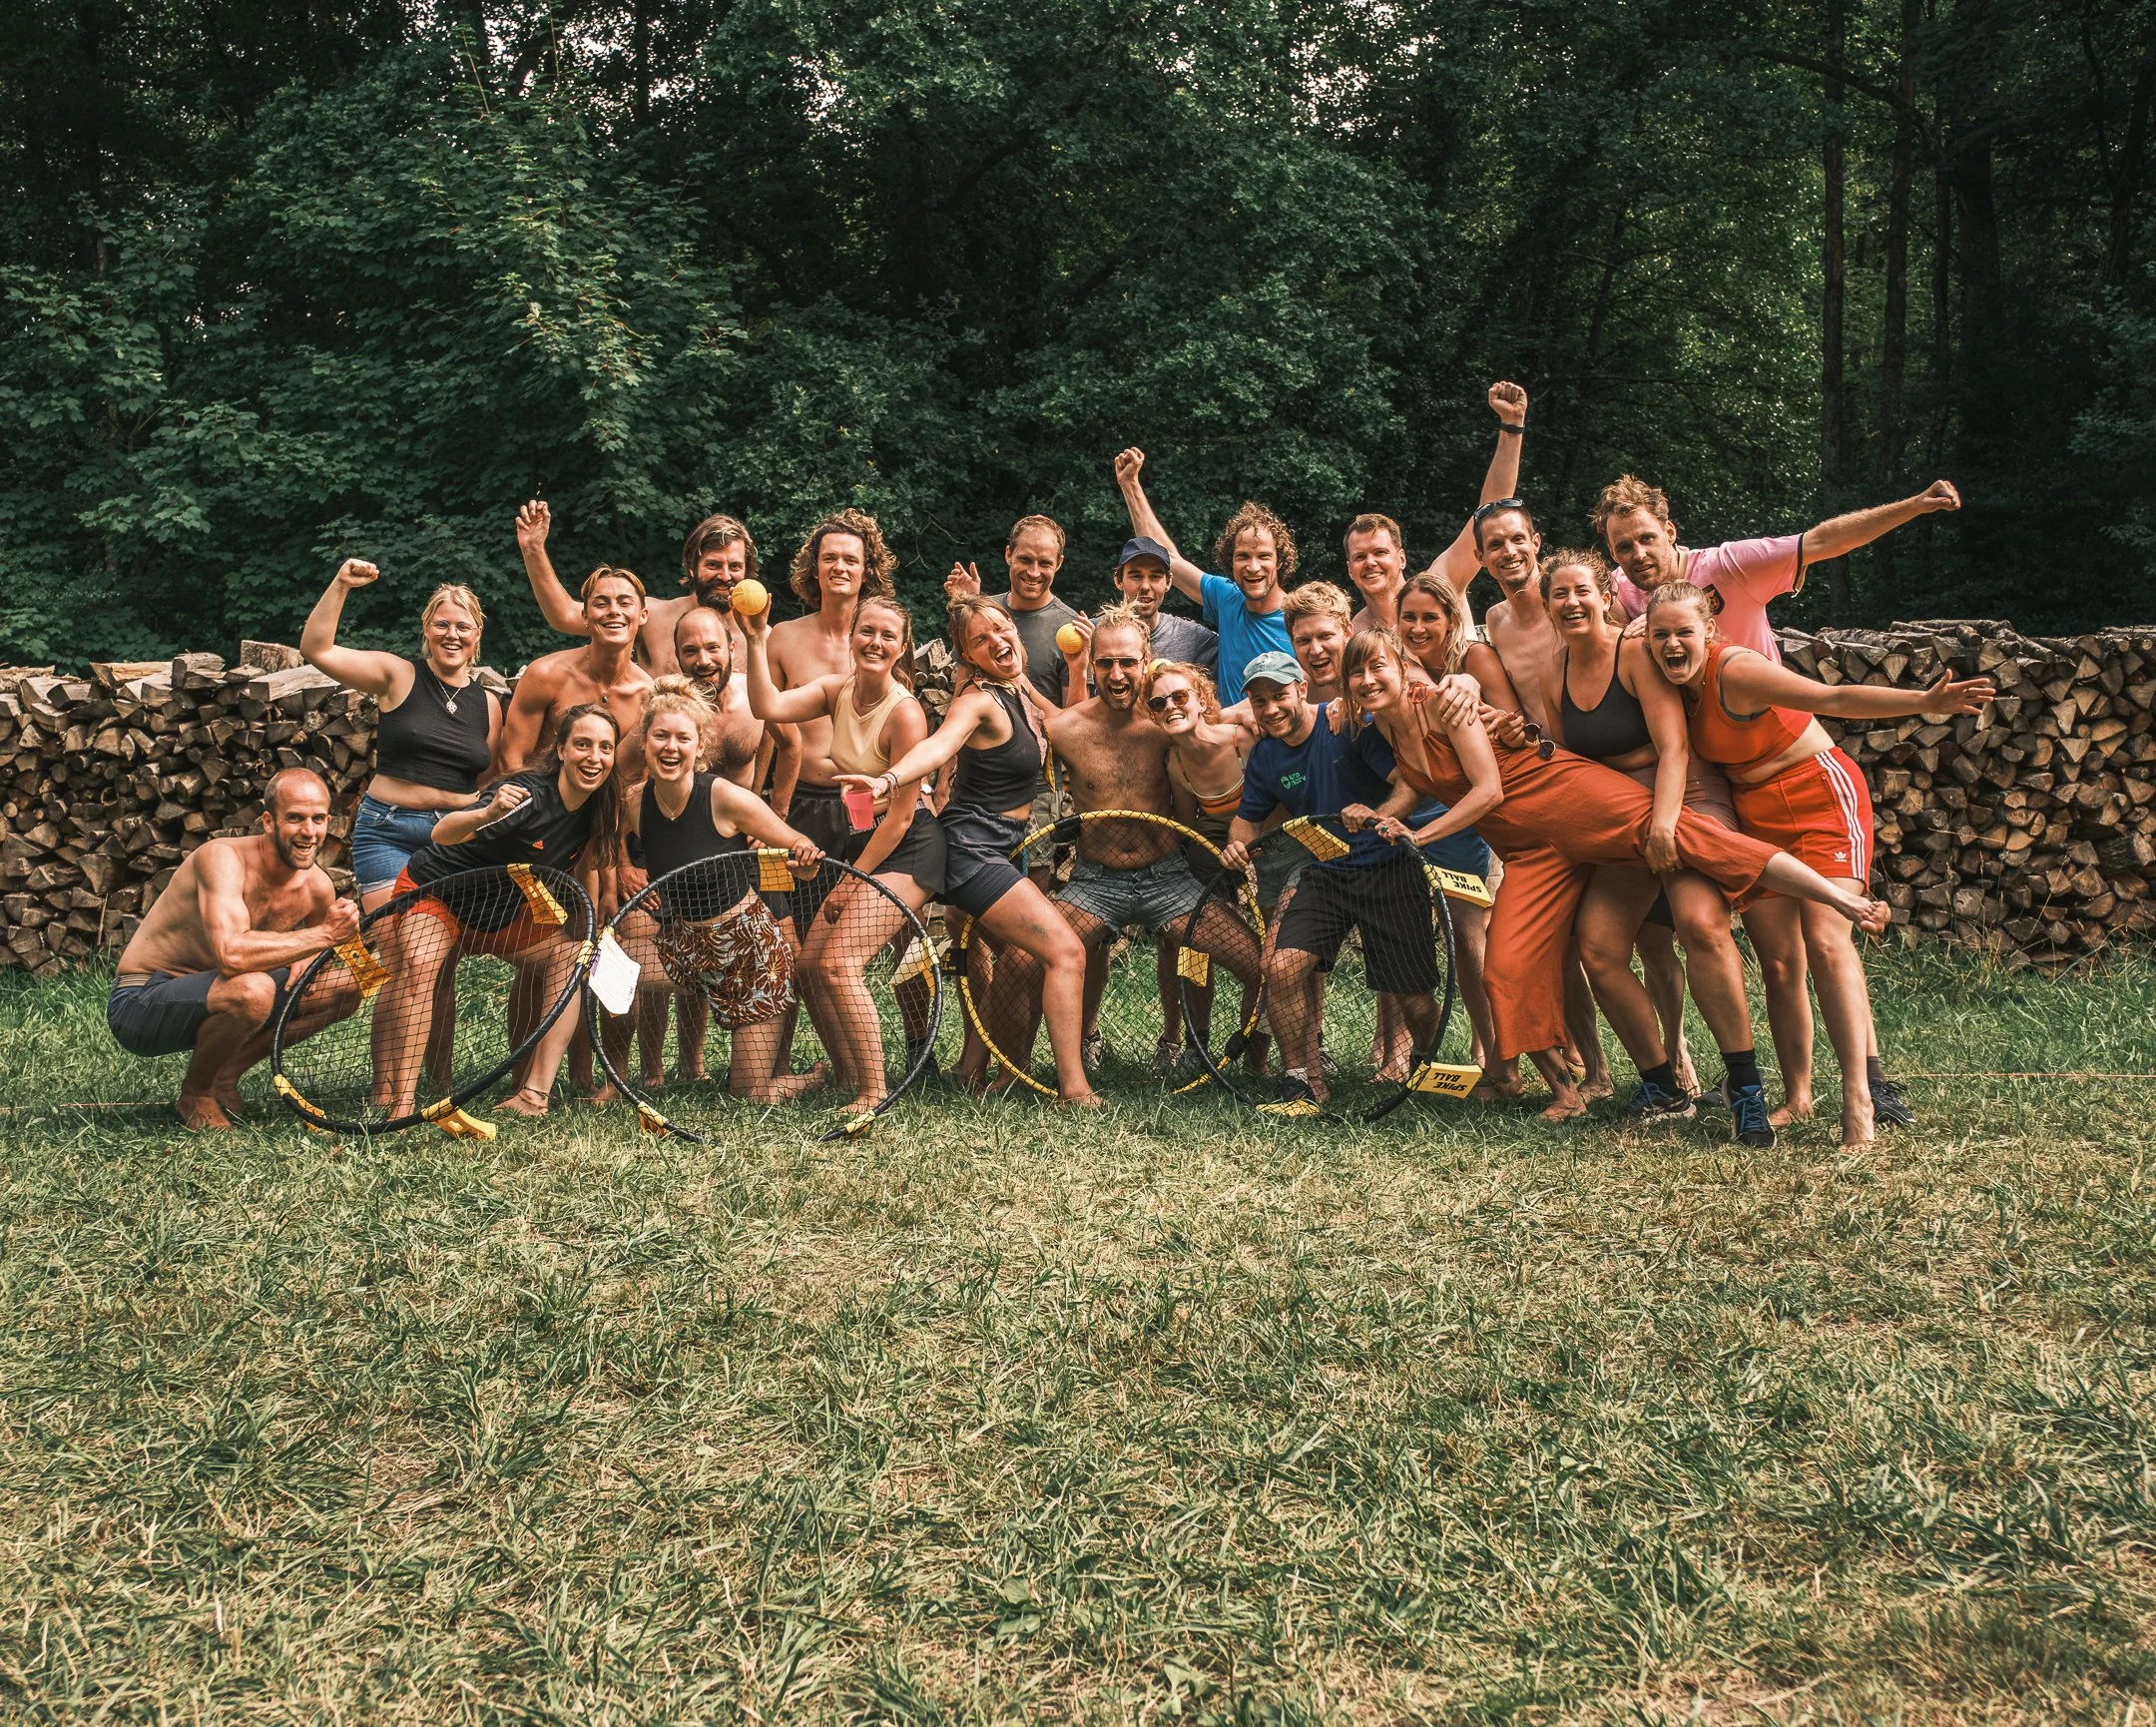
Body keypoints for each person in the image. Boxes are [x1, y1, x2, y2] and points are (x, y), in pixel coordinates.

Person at [1341, 629, 1893, 1126]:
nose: (1368, 681)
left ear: (1402, 666)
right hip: (1534, 849)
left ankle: (1837, 900)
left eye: (1378, 668)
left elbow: (1487, 790)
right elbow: (1420, 781)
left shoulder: (1443, 704)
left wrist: (1419, 835)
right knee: (1505, 968)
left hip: (1569, 797)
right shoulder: (1390, 731)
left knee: (1700, 841)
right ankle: (1571, 1088)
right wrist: (1383, 810)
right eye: (1357, 673)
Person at [1642, 583, 1994, 1146]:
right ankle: (1798, 1096)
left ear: (1709, 629)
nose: (1672, 643)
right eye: (1660, 634)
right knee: (1779, 964)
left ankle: (1859, 1097)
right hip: (1756, 814)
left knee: (1828, 940)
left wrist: (1924, 703)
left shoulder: (1736, 670)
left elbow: (1834, 698)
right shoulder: (1665, 682)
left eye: (1684, 631)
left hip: (1819, 797)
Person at [1536, 554, 1782, 1144]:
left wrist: (1665, 827)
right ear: (1546, 607)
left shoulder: (1636, 653)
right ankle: (1662, 1084)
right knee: (1597, 947)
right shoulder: (1554, 672)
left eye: (1581, 592)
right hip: (1621, 817)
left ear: (1603, 595)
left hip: (1685, 799)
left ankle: (1744, 1090)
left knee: (1700, 926)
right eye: (1558, 595)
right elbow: (1573, 763)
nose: (1571, 603)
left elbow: (1672, 748)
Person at [835, 596, 1101, 1107]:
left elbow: (1071, 727)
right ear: (969, 656)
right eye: (981, 640)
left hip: (1001, 847)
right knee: (1065, 951)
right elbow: (940, 744)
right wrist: (888, 779)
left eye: (1002, 629)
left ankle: (980, 1065)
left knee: (1013, 960)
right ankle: (1074, 1089)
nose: (998, 641)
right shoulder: (977, 700)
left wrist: (1078, 668)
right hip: (971, 849)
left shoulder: (1019, 689)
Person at [988, 607, 1263, 1078]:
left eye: (1128, 663)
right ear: (1090, 664)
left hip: (1170, 879)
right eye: (1105, 663)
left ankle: (1259, 1070)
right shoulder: (1065, 729)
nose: (1117, 674)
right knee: (1019, 960)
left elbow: (1241, 721)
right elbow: (1005, 745)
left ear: (1146, 660)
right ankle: (1012, 1074)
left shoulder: (1167, 719)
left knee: (1260, 965)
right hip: (1096, 882)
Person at [743, 594, 949, 1116]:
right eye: (867, 632)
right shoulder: (838, 690)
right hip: (865, 840)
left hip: (910, 847)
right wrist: (755, 639)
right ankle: (845, 1074)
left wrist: (850, 882)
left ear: (902, 647)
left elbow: (901, 817)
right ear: (853, 636)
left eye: (887, 636)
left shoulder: (905, 714)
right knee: (809, 965)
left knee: (838, 964)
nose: (875, 643)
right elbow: (767, 707)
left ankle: (873, 1093)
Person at [379, 705, 625, 1119]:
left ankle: (532, 1096)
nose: (594, 757)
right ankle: (400, 1104)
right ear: (561, 750)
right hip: (439, 895)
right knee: (420, 966)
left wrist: (593, 915)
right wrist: (485, 813)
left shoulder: (599, 806)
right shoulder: (526, 795)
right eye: (582, 744)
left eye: (605, 747)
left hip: (504, 910)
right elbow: (443, 832)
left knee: (571, 958)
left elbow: (583, 865)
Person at [1217, 652, 1432, 1116]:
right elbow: (1245, 821)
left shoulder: (1348, 727)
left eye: (1278, 696)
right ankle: (1299, 1083)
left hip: (1388, 868)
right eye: (1259, 701)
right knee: (1281, 968)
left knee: (1414, 999)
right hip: (1325, 872)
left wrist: (1378, 813)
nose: (1271, 709)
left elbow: (1410, 787)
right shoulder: (1266, 757)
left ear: (1300, 689)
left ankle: (1426, 1062)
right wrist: (1237, 845)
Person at [597, 679, 829, 1106]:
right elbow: (608, 844)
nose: (671, 747)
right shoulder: (633, 802)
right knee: (613, 969)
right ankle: (615, 1080)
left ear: (699, 748)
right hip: (685, 945)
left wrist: (805, 862)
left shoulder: (726, 799)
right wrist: (625, 869)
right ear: (645, 743)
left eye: (682, 738)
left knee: (751, 1095)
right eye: (660, 736)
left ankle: (811, 1078)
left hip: (751, 954)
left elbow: (796, 849)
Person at [107, 769, 361, 1130]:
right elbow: (232, 955)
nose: (309, 831)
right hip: (141, 1000)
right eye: (296, 818)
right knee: (254, 990)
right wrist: (320, 937)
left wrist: (309, 952)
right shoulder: (222, 858)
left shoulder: (318, 886)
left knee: (346, 988)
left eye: (318, 819)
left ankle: (224, 1075)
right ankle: (196, 1094)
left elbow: (320, 950)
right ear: (269, 822)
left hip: (224, 991)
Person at [1592, 473, 1964, 664]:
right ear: (1611, 551)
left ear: (1669, 532)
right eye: (1624, 547)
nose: (1638, 554)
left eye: (1647, 539)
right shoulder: (1616, 591)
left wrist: (1914, 505)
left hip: (1762, 721)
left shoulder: (1730, 565)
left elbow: (1823, 541)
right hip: (1691, 738)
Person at [300, 560, 502, 907]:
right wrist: (341, 584)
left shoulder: (489, 704)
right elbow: (317, 650)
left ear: (477, 633)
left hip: (457, 836)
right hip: (389, 830)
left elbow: (486, 779)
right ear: (427, 629)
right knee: (399, 940)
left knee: (440, 948)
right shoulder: (399, 675)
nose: (452, 634)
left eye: (462, 627)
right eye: (441, 625)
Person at [765, 509, 899, 885]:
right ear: (815, 568)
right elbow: (767, 726)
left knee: (860, 907)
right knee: (790, 903)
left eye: (850, 559)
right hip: (801, 798)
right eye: (830, 558)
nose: (839, 567)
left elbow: (904, 723)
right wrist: (764, 803)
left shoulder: (882, 641)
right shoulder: (783, 637)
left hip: (864, 798)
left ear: (865, 571)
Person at [1343, 380, 1531, 631]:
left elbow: (1491, 510)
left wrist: (1512, 425)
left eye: (1380, 553)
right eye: (1360, 557)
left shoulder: (1441, 584)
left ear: (1401, 558)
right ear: (1349, 570)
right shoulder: (1355, 630)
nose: (1370, 563)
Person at [1114, 449, 1295, 706]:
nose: (1253, 567)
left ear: (1280, 561)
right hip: (1230, 741)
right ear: (1230, 562)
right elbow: (1168, 558)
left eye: (1264, 556)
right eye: (1243, 556)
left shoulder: (1298, 618)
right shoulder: (1227, 598)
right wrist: (1130, 485)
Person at [516, 501, 758, 674]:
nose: (725, 576)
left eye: (735, 566)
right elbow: (565, 616)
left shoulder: (760, 638)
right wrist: (533, 550)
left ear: (746, 571)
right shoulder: (653, 616)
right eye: (713, 564)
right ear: (692, 568)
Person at [496, 565, 656, 786]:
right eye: (601, 604)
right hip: (541, 800)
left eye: (625, 603)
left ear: (643, 615)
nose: (613, 611)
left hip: (608, 807)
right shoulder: (546, 674)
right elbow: (512, 759)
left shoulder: (647, 696)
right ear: (585, 616)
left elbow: (640, 774)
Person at [673, 604, 765, 789]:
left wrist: (775, 806)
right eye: (690, 651)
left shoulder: (754, 696)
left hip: (743, 814)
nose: (704, 661)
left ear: (731, 649)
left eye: (713, 648)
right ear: (678, 656)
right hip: (685, 815)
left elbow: (790, 742)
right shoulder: (665, 709)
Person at [1111, 535, 1216, 673]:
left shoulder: (1193, 637)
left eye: (1155, 577)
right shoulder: (1094, 634)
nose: (1145, 586)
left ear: (1168, 582)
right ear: (1118, 580)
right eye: (1136, 576)